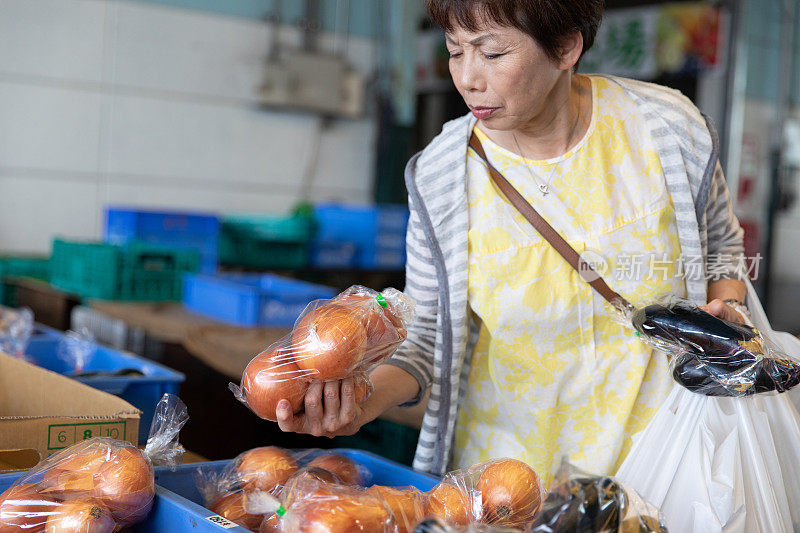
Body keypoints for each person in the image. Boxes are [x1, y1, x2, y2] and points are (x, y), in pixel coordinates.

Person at [275, 0, 749, 482]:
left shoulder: (667, 128)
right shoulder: (440, 176)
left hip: (664, 465)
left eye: (493, 53)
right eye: (455, 51)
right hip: (508, 481)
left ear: (566, 47)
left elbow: (725, 252)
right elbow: (425, 338)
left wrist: (729, 308)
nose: (467, 78)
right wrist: (361, 404)